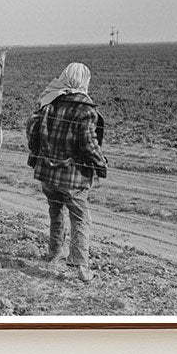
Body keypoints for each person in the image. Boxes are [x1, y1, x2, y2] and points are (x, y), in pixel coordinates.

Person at [26, 62, 108, 282]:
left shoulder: (49, 102)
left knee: (55, 212)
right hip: (73, 176)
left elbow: (33, 133)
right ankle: (80, 265)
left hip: (48, 174)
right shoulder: (86, 110)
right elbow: (89, 144)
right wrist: (101, 165)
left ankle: (54, 253)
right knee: (80, 218)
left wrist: (36, 156)